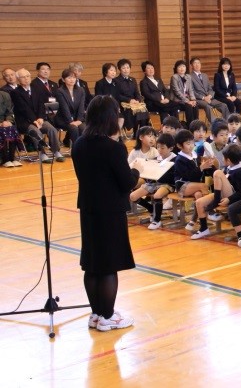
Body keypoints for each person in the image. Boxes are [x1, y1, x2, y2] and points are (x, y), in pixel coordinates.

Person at [71, 95, 142, 331]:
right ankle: (108, 316)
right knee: (109, 265)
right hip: (110, 211)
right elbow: (126, 183)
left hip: (89, 209)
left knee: (92, 264)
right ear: (111, 118)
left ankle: (96, 314)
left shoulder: (79, 143)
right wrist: (135, 170)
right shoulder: (114, 147)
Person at [192, 144, 241, 241]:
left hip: (233, 197)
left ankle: (216, 201)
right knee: (199, 202)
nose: (222, 159)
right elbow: (223, 178)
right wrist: (210, 166)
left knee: (218, 173)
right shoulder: (229, 168)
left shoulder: (240, 171)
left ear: (228, 160)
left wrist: (229, 199)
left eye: (224, 157)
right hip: (222, 193)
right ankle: (204, 228)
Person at [11, 68, 64, 162]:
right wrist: (34, 121)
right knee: (36, 132)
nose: (26, 79)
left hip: (39, 119)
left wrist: (40, 117)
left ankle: (56, 151)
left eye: (27, 76)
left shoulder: (37, 89)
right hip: (25, 122)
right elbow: (23, 109)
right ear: (18, 79)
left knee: (52, 129)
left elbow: (41, 105)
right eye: (23, 77)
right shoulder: (15, 92)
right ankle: (42, 153)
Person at [129, 132, 176, 230]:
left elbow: (173, 177)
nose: (159, 150)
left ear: (170, 148)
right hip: (153, 183)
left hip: (168, 184)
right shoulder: (155, 159)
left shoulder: (175, 160)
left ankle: (157, 220)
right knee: (133, 196)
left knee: (157, 195)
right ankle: (151, 208)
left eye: (162, 148)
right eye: (158, 147)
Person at [114, 58, 148, 136]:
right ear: (119, 69)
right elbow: (117, 95)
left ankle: (142, 131)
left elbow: (137, 93)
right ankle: (135, 132)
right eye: (123, 68)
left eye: (127, 67)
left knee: (143, 110)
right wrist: (129, 100)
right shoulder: (116, 80)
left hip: (135, 103)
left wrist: (137, 100)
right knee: (132, 111)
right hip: (124, 104)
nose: (126, 70)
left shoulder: (133, 79)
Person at [190, 57, 229, 121]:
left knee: (223, 105)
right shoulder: (189, 76)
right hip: (199, 100)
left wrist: (210, 96)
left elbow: (210, 88)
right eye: (195, 63)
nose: (197, 65)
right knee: (207, 106)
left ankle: (227, 122)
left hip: (209, 98)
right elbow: (192, 91)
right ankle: (215, 124)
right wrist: (203, 98)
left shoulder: (205, 75)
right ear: (191, 65)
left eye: (198, 63)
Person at [54, 68, 86, 145]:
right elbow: (64, 108)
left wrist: (79, 120)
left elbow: (81, 106)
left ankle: (84, 147)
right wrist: (70, 121)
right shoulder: (60, 91)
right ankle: (76, 148)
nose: (72, 80)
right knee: (74, 128)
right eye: (69, 78)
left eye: (74, 77)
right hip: (64, 119)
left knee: (83, 127)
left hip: (76, 118)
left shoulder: (80, 90)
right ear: (63, 79)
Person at [0, 88, 20, 167]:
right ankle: (5, 159)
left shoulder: (4, 95)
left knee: (12, 129)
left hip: (4, 122)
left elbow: (10, 112)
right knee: (2, 132)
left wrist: (8, 121)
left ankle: (12, 158)